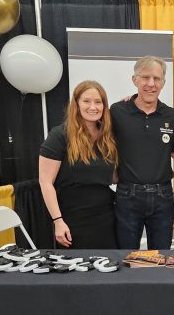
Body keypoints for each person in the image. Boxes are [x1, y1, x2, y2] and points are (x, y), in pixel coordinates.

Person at [110, 56, 174, 250]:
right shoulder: (117, 112)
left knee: (161, 256)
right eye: (145, 77)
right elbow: (104, 148)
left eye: (157, 79)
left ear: (163, 83)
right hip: (127, 195)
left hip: (163, 197)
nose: (151, 84)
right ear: (135, 80)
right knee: (127, 256)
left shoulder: (173, 117)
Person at [38, 80, 118, 249]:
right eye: (86, 101)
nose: (93, 107)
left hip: (106, 217)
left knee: (109, 269)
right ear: (76, 104)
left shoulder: (108, 138)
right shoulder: (59, 136)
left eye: (98, 102)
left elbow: (112, 177)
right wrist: (58, 221)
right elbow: (45, 182)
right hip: (72, 218)